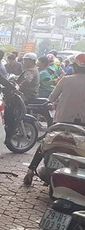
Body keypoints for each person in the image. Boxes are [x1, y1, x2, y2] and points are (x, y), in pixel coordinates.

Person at [24, 53, 85, 185]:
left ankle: (30, 170)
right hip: (82, 125)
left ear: (74, 66)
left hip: (61, 121)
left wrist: (56, 102)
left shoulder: (66, 80)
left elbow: (51, 98)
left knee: (44, 144)